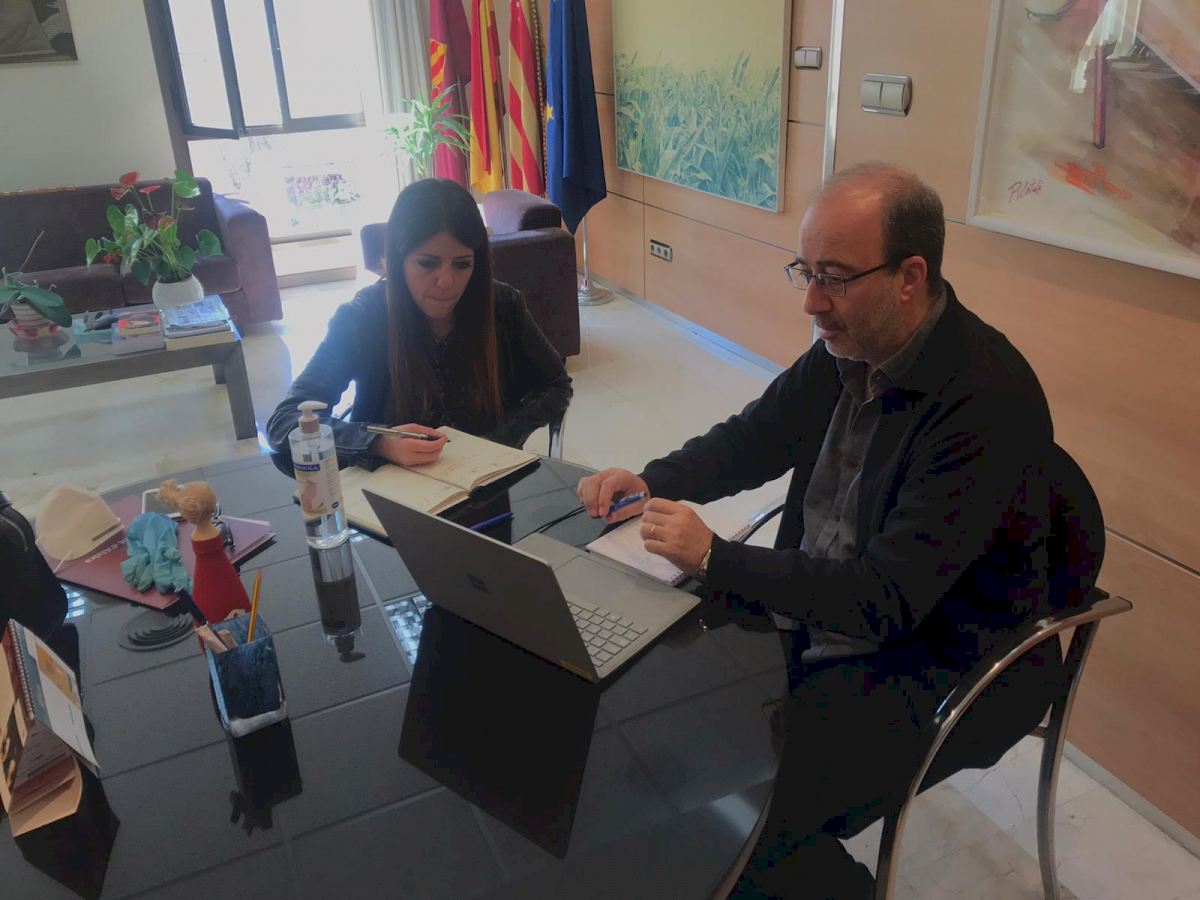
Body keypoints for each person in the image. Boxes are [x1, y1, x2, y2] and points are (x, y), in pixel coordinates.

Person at [577, 163, 1064, 897]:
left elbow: (888, 598)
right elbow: (753, 439)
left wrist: (717, 559)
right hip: (821, 615)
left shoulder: (984, 402)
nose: (811, 302)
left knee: (732, 817)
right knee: (644, 727)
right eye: (805, 272)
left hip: (940, 660)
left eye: (833, 278)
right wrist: (654, 481)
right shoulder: (850, 345)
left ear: (910, 277)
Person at [268, 178, 572, 474]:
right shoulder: (363, 316)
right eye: (428, 263)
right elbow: (285, 421)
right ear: (398, 260)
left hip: (484, 479)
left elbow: (556, 384)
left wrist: (500, 438)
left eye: (462, 264)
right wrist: (378, 443)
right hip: (390, 485)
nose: (446, 281)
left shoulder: (502, 305)